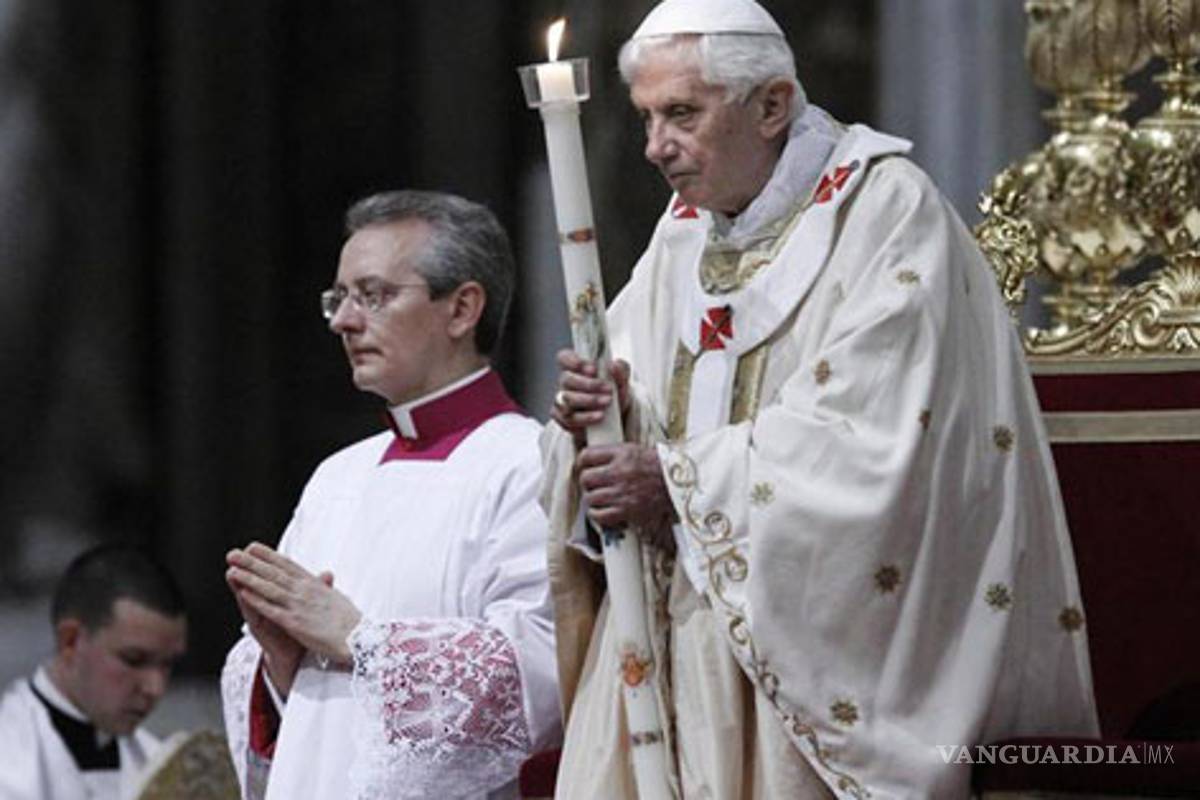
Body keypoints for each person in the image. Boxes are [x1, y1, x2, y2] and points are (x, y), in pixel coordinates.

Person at [540, 0, 1100, 797]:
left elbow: (878, 439)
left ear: (771, 105)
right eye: (646, 117)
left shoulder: (888, 213)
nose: (655, 146)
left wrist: (677, 481)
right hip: (678, 637)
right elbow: (637, 408)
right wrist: (599, 420)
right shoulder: (684, 232)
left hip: (811, 659)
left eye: (681, 114)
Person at [220, 190, 560, 800]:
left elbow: (543, 677)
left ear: (462, 309)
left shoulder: (528, 465)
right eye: (339, 298)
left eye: (373, 295)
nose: (343, 322)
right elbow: (300, 716)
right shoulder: (336, 477)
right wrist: (279, 662)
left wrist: (358, 640)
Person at [0, 544, 188, 799]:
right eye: (134, 659)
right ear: (71, 641)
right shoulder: (9, 759)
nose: (155, 688)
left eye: (167, 664)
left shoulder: (161, 763)